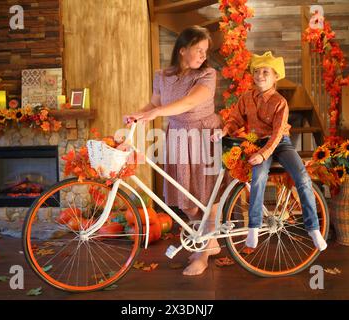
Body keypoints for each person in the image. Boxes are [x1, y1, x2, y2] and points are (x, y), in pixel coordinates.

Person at [124, 25, 223, 276]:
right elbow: (157, 102)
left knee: (206, 195)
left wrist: (156, 113)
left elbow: (188, 102)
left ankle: (203, 252)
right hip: (178, 136)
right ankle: (209, 241)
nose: (203, 55)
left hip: (202, 135)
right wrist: (141, 113)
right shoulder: (162, 75)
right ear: (182, 50)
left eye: (205, 51)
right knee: (184, 197)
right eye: (198, 50)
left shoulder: (207, 74)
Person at [211, 51, 327, 251]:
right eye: (256, 71)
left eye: (266, 72)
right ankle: (254, 227)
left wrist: (263, 154)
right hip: (257, 142)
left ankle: (313, 228)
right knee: (258, 176)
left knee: (302, 176)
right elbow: (235, 119)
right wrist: (224, 131)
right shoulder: (246, 97)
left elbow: (276, 135)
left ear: (275, 77)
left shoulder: (280, 102)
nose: (260, 75)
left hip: (280, 142)